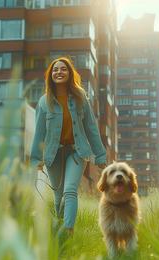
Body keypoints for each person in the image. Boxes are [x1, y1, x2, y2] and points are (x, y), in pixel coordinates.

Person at [30, 56, 107, 237]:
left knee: (70, 190)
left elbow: (91, 128)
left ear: (69, 73)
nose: (59, 72)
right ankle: (60, 231)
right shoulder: (44, 102)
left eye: (63, 69)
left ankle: (68, 230)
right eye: (55, 69)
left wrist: (100, 155)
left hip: (77, 151)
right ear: (51, 75)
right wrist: (36, 159)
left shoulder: (81, 98)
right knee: (58, 199)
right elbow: (39, 133)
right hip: (52, 154)